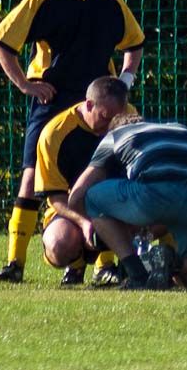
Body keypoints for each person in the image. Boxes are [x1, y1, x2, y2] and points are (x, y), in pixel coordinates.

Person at [0, 0, 145, 283]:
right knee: (31, 178)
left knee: (109, 177)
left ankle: (105, 266)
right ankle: (15, 263)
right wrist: (25, 84)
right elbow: (2, 40)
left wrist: (124, 82)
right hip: (54, 99)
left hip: (100, 105)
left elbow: (134, 43)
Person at [67, 88, 187, 290]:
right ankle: (173, 260)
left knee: (92, 197)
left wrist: (93, 225)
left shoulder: (114, 135)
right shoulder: (182, 129)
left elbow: (78, 194)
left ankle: (136, 274)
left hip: (156, 194)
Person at [33, 77, 132, 286]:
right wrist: (84, 222)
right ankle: (75, 265)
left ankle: (116, 267)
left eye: (117, 119)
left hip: (119, 207)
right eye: (105, 118)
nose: (110, 127)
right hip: (73, 212)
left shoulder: (130, 118)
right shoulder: (55, 134)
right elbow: (56, 198)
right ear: (89, 105)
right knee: (60, 243)